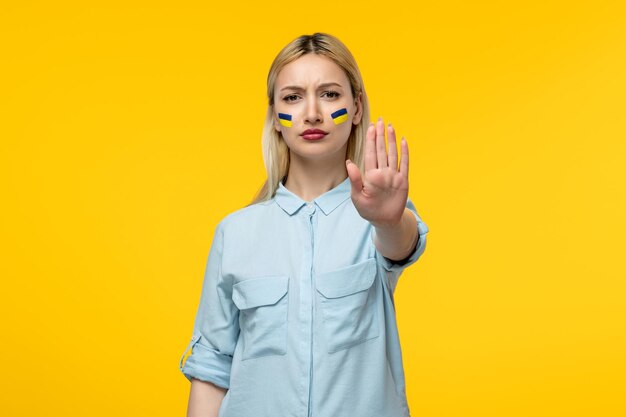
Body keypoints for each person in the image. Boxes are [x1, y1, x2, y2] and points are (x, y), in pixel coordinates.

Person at [179, 32, 429, 417]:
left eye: (330, 94)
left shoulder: (378, 218)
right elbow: (212, 366)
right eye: (292, 98)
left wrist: (389, 220)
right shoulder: (235, 232)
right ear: (275, 117)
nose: (312, 113)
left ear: (357, 107)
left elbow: (401, 244)